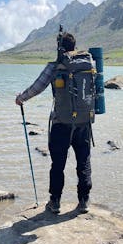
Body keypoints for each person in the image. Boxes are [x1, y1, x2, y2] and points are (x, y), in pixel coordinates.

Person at [15, 32, 93, 214]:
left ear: (60, 47)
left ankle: (55, 202)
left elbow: (37, 87)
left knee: (58, 164)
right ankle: (84, 202)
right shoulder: (88, 64)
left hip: (61, 123)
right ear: (74, 46)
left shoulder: (54, 67)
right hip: (84, 122)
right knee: (84, 162)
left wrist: (21, 98)